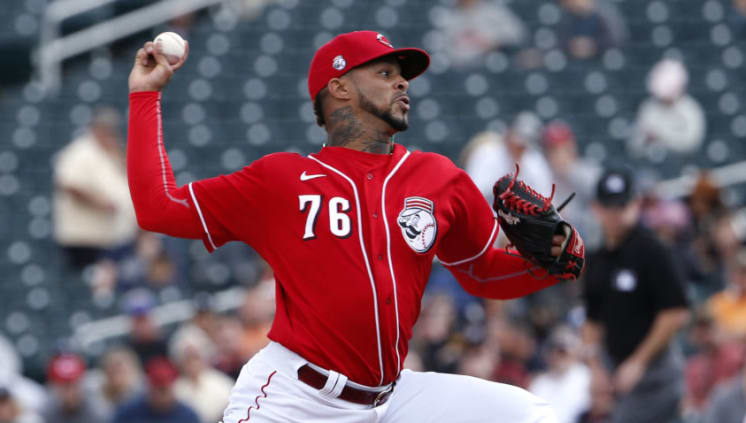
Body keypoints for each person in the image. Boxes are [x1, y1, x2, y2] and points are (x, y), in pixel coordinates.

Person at [127, 30, 584, 422]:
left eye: (401, 74)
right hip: (294, 398)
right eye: (384, 73)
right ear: (340, 88)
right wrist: (145, 96)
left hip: (393, 398)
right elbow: (158, 207)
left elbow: (481, 269)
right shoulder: (280, 180)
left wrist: (552, 263)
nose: (403, 81)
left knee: (534, 415)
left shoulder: (439, 178)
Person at [583, 168, 690, 423]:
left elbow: (675, 313)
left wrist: (638, 362)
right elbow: (592, 320)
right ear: (597, 208)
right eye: (609, 206)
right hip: (616, 372)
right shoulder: (596, 259)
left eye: (622, 205)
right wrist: (595, 367)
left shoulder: (652, 250)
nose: (616, 214)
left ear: (636, 204)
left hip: (656, 373)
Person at [52, 106, 138, 269]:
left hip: (114, 237)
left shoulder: (112, 151)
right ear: (95, 128)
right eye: (105, 128)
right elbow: (70, 185)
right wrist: (102, 203)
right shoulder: (80, 151)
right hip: (85, 239)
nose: (109, 132)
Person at [464, 111, 553, 205]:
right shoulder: (486, 154)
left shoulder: (535, 161)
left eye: (523, 146)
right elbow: (473, 193)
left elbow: (546, 198)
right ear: (509, 133)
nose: (518, 148)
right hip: (488, 214)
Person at [629, 59, 706, 160]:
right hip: (650, 163)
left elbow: (692, 142)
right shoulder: (648, 108)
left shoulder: (690, 109)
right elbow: (634, 145)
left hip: (682, 162)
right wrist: (645, 140)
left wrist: (661, 136)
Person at [529, 325, 591, 423]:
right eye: (556, 350)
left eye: (563, 351)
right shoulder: (539, 383)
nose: (559, 356)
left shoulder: (585, 375)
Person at [112, 357, 200, 423]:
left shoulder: (188, 416)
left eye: (165, 389)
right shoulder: (128, 413)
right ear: (149, 388)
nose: (162, 395)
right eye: (159, 389)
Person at [41, 354, 109, 423]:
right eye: (64, 386)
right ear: (54, 386)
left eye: (74, 385)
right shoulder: (46, 412)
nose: (70, 392)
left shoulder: (97, 411)